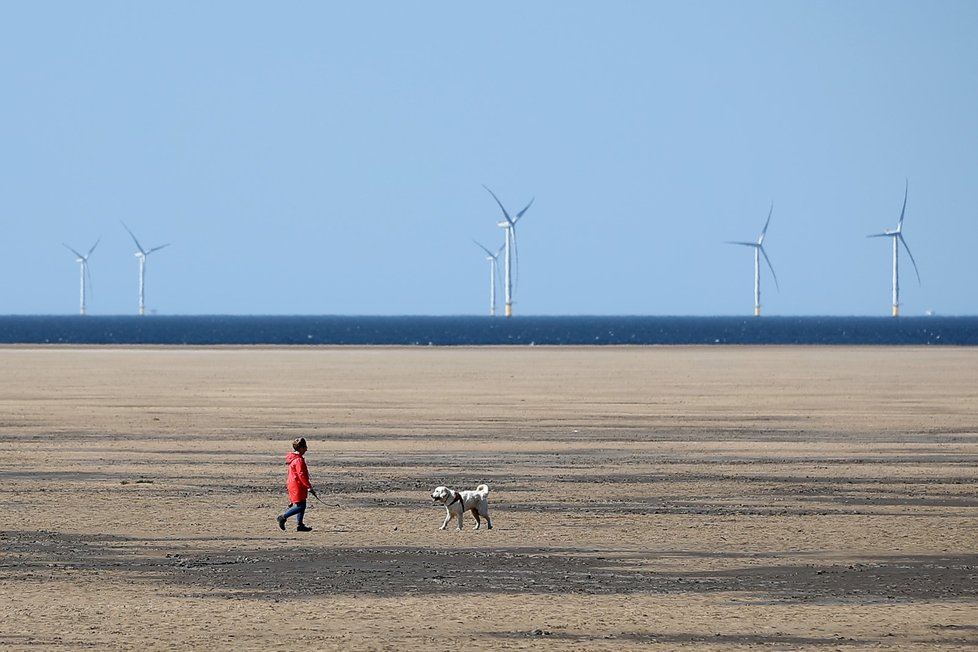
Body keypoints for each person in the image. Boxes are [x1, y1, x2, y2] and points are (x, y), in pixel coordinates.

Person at [276, 437, 318, 532]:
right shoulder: (298, 460)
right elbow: (301, 474)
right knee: (300, 506)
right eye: (305, 447)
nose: (306, 449)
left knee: (302, 504)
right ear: (301, 448)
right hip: (297, 484)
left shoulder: (294, 458)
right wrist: (309, 487)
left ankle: (300, 525)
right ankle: (283, 517)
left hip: (294, 483)